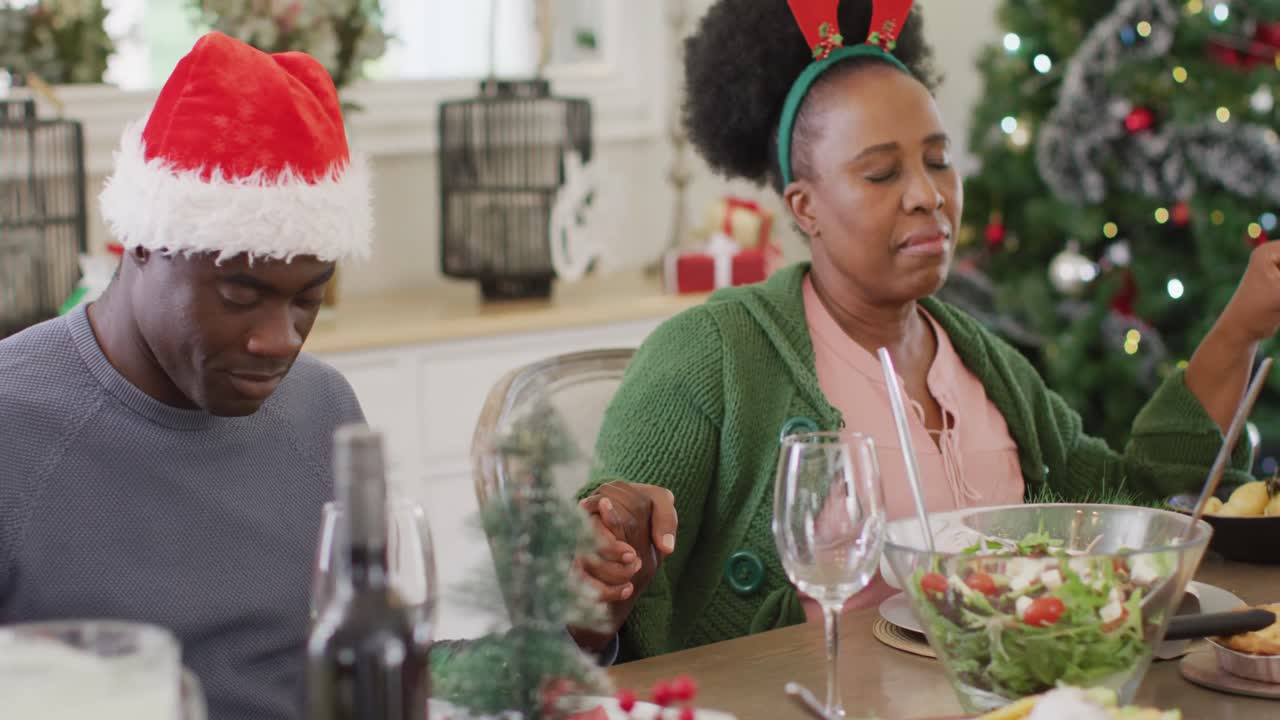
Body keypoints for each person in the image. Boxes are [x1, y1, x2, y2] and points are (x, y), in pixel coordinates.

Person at [571, 0, 1280, 663]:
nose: (929, 194)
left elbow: (1143, 511)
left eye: (938, 160)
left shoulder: (987, 365)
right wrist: (603, 557)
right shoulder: (709, 356)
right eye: (881, 173)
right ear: (805, 206)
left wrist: (1241, 325)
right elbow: (586, 599)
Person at [0, 32, 373, 720]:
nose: (278, 342)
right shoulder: (12, 420)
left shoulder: (325, 406)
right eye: (239, 295)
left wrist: (580, 625)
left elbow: (370, 663)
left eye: (308, 298)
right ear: (141, 241)